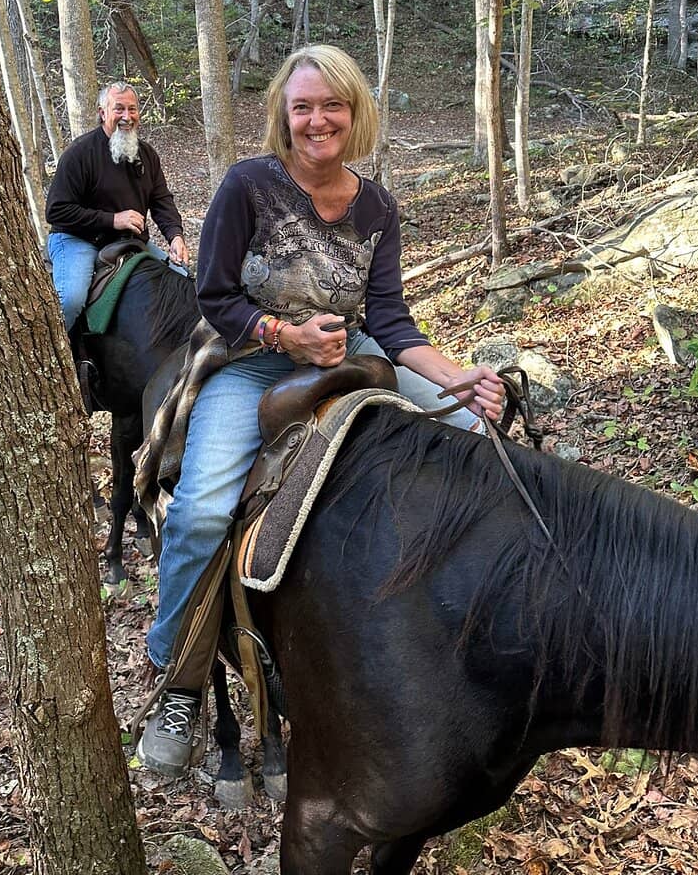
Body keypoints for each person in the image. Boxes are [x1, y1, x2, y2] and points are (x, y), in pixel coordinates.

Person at [139, 45, 506, 776]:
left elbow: (393, 320)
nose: (316, 120)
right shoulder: (248, 185)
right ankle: (175, 674)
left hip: (350, 347)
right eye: (302, 106)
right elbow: (213, 296)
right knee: (206, 508)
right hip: (248, 360)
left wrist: (460, 378)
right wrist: (284, 334)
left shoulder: (376, 206)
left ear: (354, 112)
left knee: (478, 436)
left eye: (330, 105)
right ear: (284, 113)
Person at [45, 80, 190, 332]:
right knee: (70, 301)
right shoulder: (80, 153)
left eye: (132, 109)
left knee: (183, 280)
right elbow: (56, 210)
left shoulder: (146, 155)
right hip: (76, 239)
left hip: (127, 242)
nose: (127, 116)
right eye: (119, 109)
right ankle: (55, 360)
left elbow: (161, 200)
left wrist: (175, 236)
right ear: (103, 113)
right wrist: (112, 219)